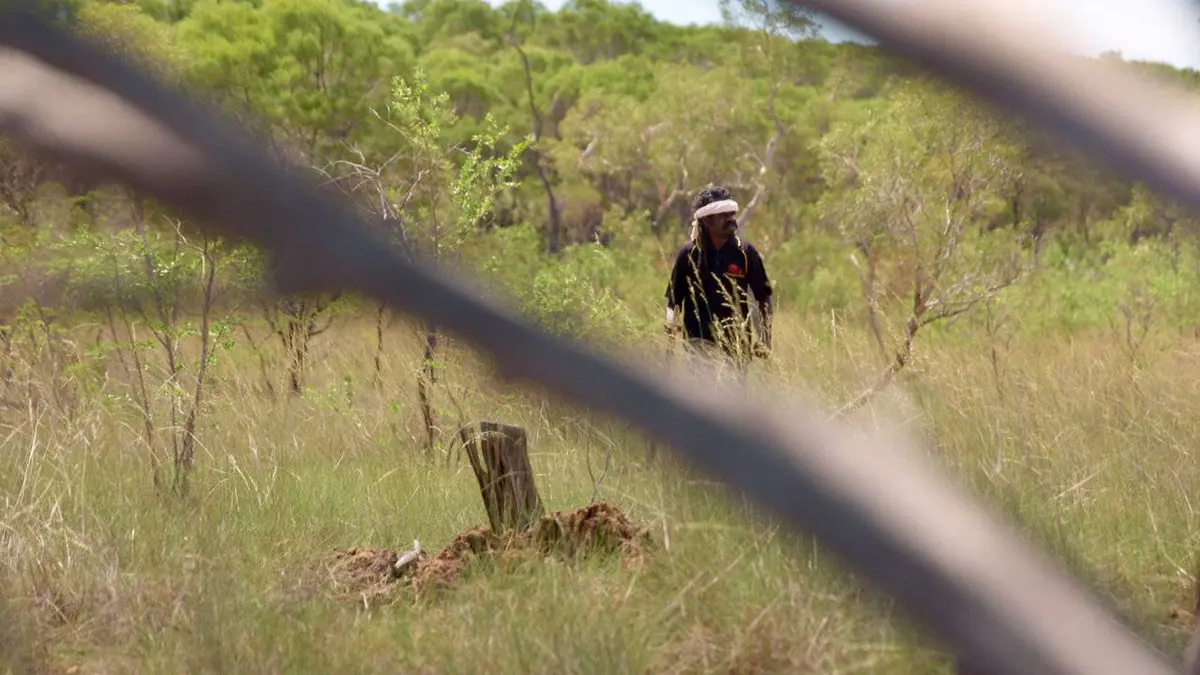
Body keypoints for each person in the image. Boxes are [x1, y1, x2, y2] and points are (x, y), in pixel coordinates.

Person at [664, 186, 774, 376]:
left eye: (732, 213)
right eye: (723, 215)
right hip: (698, 350)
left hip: (737, 349)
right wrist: (669, 342)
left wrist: (765, 338)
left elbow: (764, 299)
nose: (730, 218)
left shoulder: (746, 253)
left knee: (732, 404)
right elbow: (673, 302)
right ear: (707, 220)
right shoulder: (688, 254)